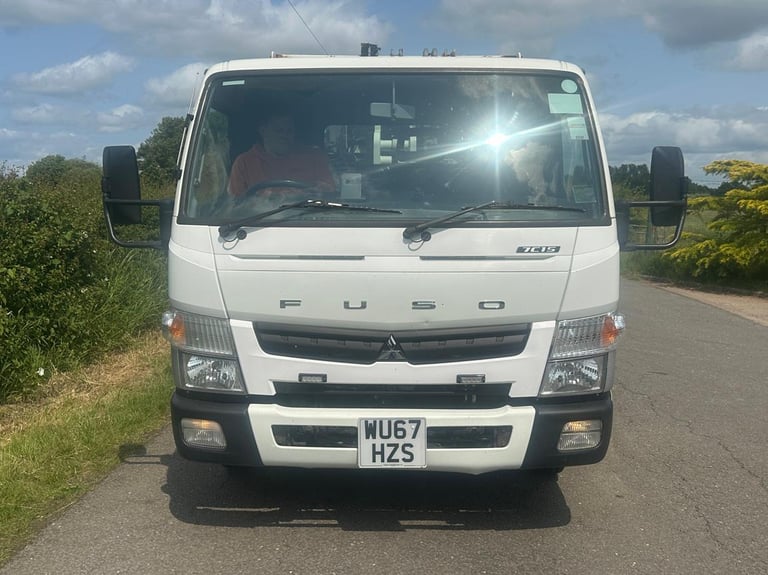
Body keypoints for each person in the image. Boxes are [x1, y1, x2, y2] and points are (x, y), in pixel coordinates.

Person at [227, 111, 335, 200]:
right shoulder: (244, 162)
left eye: (289, 131)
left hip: (310, 220)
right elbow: (235, 204)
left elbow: (329, 191)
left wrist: (318, 191)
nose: (285, 136)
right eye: (279, 131)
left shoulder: (314, 156)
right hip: (257, 223)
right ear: (263, 131)